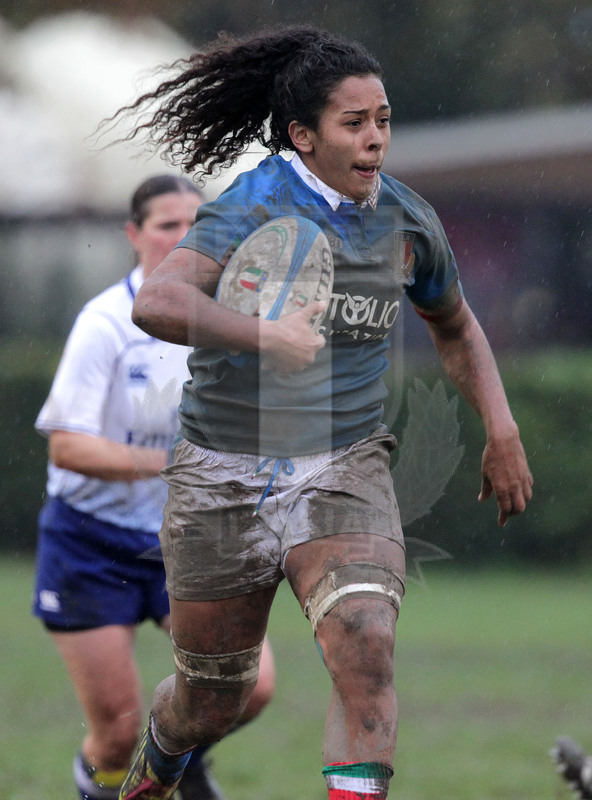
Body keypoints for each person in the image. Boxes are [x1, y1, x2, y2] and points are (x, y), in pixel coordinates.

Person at [108, 25, 533, 800]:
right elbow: (157, 300)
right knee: (212, 700)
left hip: (344, 462)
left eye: (384, 120)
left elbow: (455, 325)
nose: (376, 138)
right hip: (221, 471)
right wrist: (264, 334)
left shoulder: (406, 220)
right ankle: (156, 770)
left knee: (366, 643)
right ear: (303, 136)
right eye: (354, 122)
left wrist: (500, 429)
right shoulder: (254, 203)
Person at [32, 174, 276, 800]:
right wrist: (171, 463)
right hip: (91, 542)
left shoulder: (233, 323)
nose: (183, 237)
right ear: (134, 234)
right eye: (168, 225)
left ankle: (176, 761)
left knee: (248, 688)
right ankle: (112, 782)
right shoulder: (105, 323)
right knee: (116, 736)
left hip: (185, 540)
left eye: (197, 225)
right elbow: (67, 447)